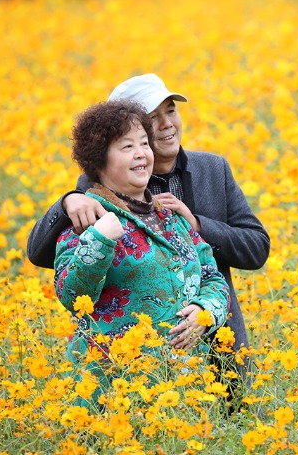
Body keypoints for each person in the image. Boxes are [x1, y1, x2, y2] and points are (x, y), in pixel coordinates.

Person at [27, 74, 270, 387]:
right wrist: (68, 202)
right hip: (124, 373)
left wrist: (197, 226)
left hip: (215, 347)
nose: (166, 124)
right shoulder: (98, 195)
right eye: (152, 118)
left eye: (170, 111)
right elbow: (51, 261)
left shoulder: (213, 169)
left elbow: (255, 248)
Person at [54, 100, 229, 403]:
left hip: (183, 392)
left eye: (144, 144)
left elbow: (212, 276)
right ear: (99, 161)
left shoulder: (172, 218)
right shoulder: (87, 219)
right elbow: (71, 295)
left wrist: (206, 311)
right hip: (114, 392)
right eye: (126, 147)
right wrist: (99, 240)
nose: (141, 153)